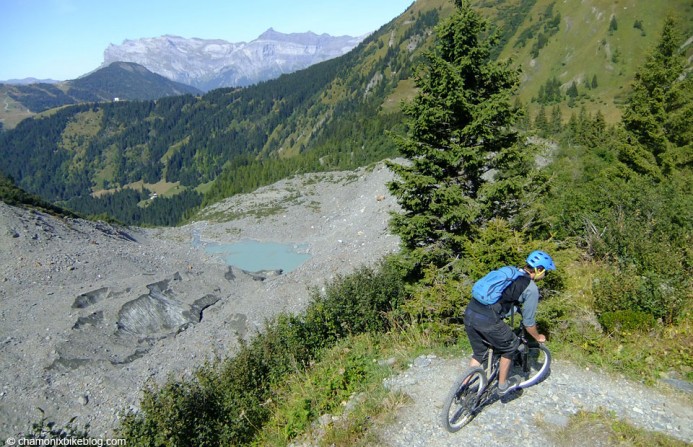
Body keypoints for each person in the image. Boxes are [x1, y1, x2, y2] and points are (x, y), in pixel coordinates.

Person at [464, 250, 556, 396]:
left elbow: (504, 296)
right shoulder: (531, 289)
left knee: (479, 354)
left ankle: (463, 387)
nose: (545, 275)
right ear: (539, 270)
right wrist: (538, 338)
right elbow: (529, 323)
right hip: (488, 319)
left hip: (470, 312)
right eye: (546, 271)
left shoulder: (511, 271)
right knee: (510, 346)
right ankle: (502, 386)